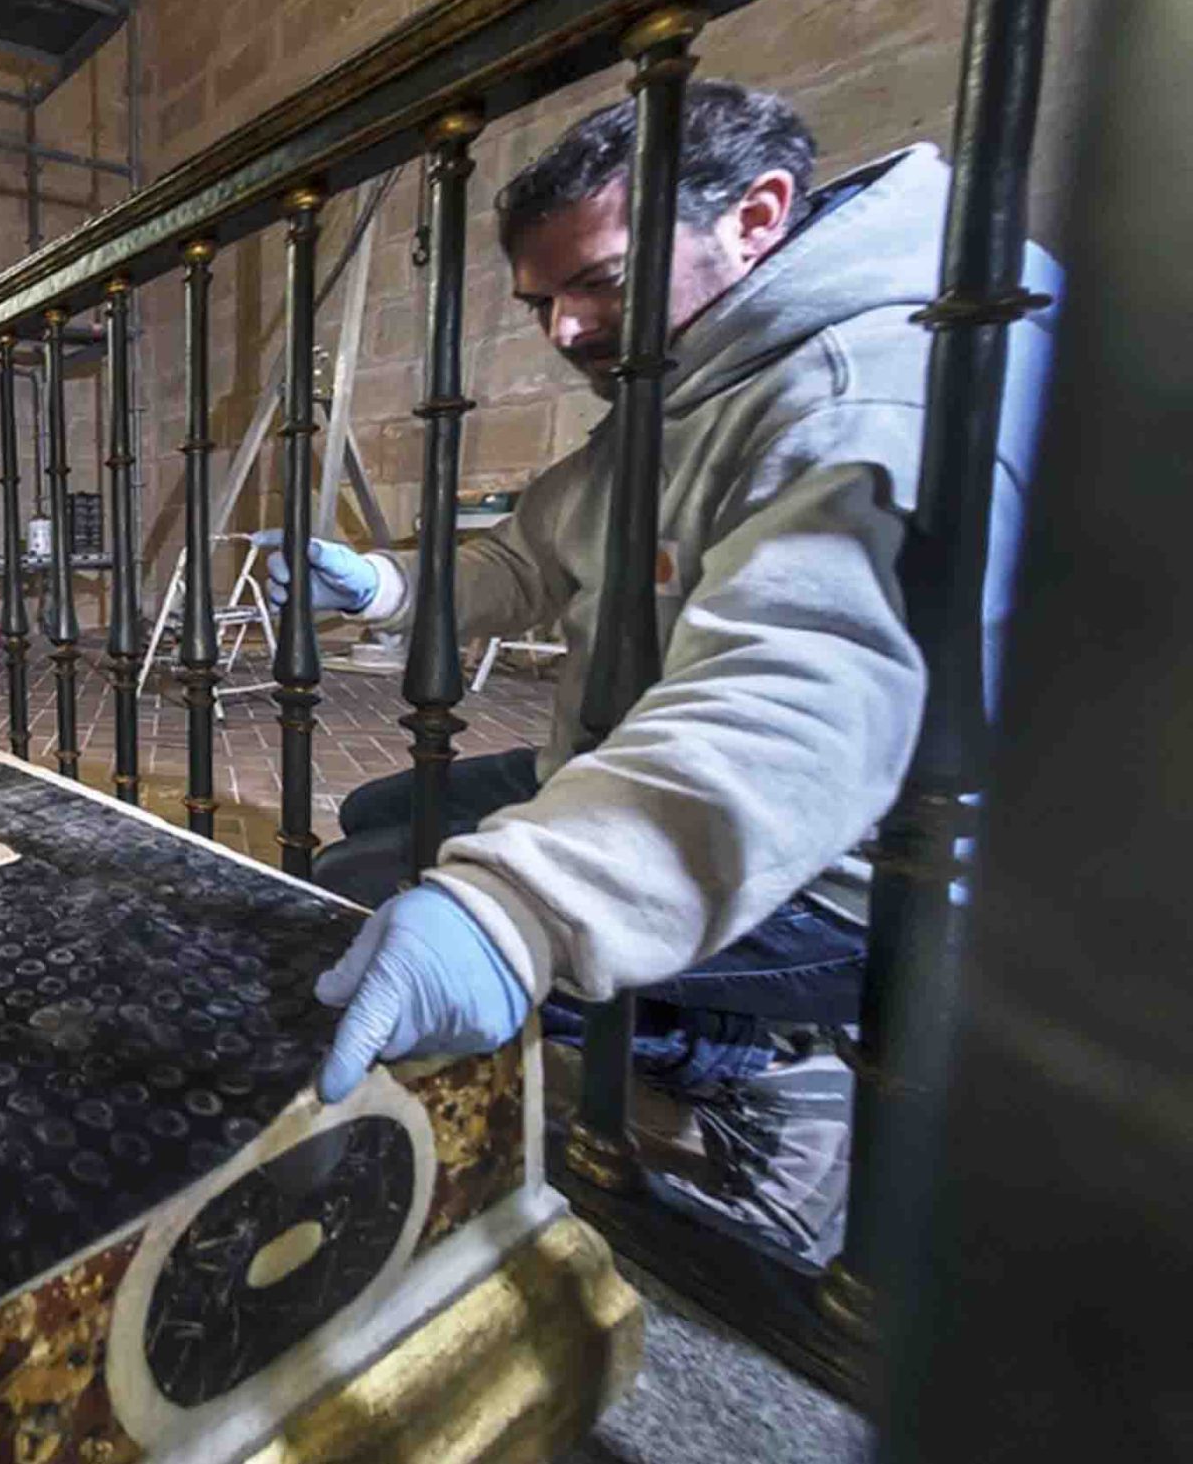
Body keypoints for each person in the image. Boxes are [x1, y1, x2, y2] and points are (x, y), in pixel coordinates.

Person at [275, 81, 1056, 1262]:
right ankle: (733, 1033)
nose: (565, 332)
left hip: (858, 864)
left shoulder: (867, 386)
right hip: (663, 765)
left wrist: (516, 911)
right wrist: (383, 587)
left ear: (757, 216)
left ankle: (775, 1074)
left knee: (408, 900)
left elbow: (794, 706)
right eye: (542, 300)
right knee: (381, 821)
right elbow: (530, 555)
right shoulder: (689, 373)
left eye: (596, 281)